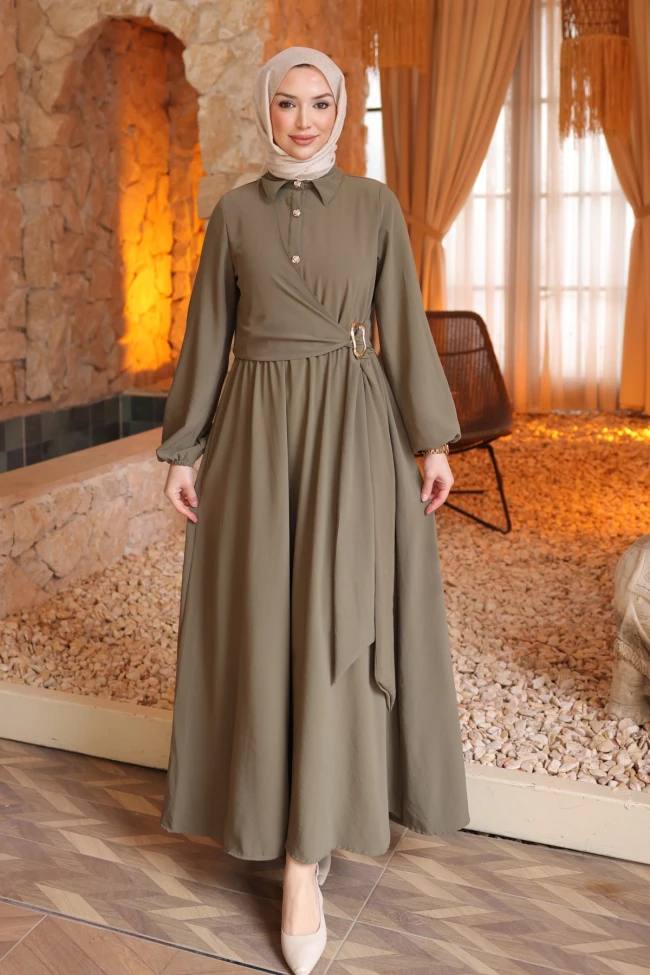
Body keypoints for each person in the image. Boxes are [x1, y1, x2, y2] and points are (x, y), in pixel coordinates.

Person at [156, 45, 470, 975]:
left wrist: (432, 440)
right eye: (288, 103)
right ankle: (282, 814)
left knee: (337, 623)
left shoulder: (375, 207)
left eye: (320, 102)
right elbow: (208, 333)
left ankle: (304, 861)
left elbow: (402, 323)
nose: (303, 120)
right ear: (268, 111)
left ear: (341, 111)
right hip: (255, 437)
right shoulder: (233, 214)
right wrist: (183, 447)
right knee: (266, 628)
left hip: (351, 432)